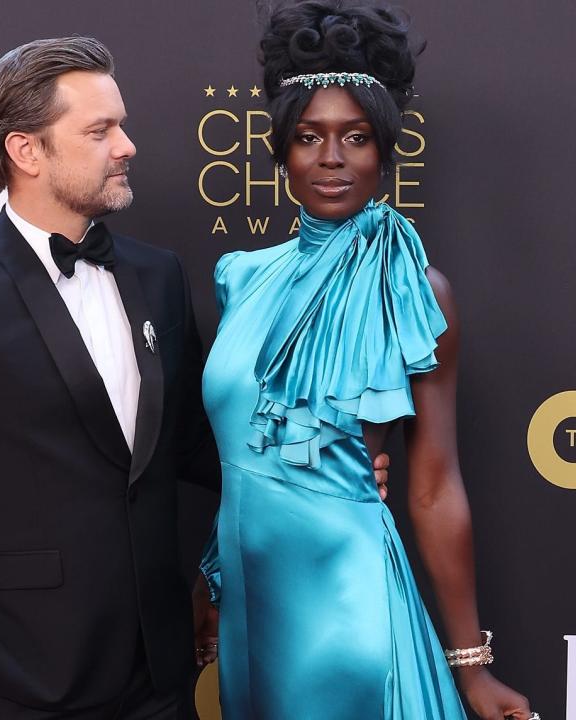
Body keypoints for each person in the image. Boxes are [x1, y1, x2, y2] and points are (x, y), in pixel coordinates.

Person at [0, 34, 393, 720]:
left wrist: (324, 467)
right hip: (20, 679)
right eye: (101, 130)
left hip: (158, 672)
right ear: (26, 151)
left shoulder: (156, 274)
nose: (127, 145)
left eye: (123, 125)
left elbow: (197, 444)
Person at [196, 3, 537, 719]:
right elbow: (244, 443)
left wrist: (471, 668)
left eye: (355, 137)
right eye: (309, 137)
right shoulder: (241, 278)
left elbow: (435, 487)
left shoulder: (414, 289)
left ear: (383, 150)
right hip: (247, 609)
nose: (331, 159)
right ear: (282, 150)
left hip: (347, 613)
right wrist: (212, 576)